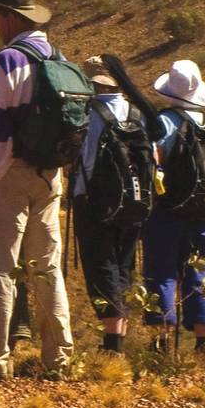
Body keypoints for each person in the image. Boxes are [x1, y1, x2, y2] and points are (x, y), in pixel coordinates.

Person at [0, 0, 74, 378]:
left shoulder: (8, 60)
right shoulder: (59, 58)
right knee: (46, 268)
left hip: (7, 172)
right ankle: (59, 359)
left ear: (11, 17)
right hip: (50, 175)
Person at [141, 59, 205, 359]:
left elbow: (151, 164)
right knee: (200, 277)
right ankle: (204, 347)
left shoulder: (161, 122)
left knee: (161, 274)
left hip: (166, 212)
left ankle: (161, 344)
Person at [70, 57, 137, 355]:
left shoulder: (88, 113)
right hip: (133, 201)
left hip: (93, 199)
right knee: (123, 266)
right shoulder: (137, 112)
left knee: (102, 267)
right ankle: (118, 339)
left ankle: (112, 345)